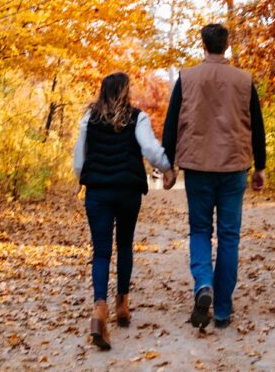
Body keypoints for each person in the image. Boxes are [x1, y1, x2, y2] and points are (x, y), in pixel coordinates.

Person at [161, 23, 266, 330]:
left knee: (200, 231)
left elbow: (171, 123)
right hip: (234, 167)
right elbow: (256, 125)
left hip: (197, 168)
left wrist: (169, 165)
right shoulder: (244, 80)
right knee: (229, 237)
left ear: (203, 45)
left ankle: (203, 285)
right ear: (226, 45)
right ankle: (221, 310)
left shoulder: (187, 78)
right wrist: (260, 165)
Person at [73, 72, 172, 350]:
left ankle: (99, 309)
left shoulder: (88, 119)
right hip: (127, 191)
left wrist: (82, 178)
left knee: (101, 251)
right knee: (125, 245)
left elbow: (80, 158)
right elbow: (150, 150)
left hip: (98, 192)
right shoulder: (136, 117)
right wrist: (167, 167)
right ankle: (123, 306)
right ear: (125, 91)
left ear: (103, 92)